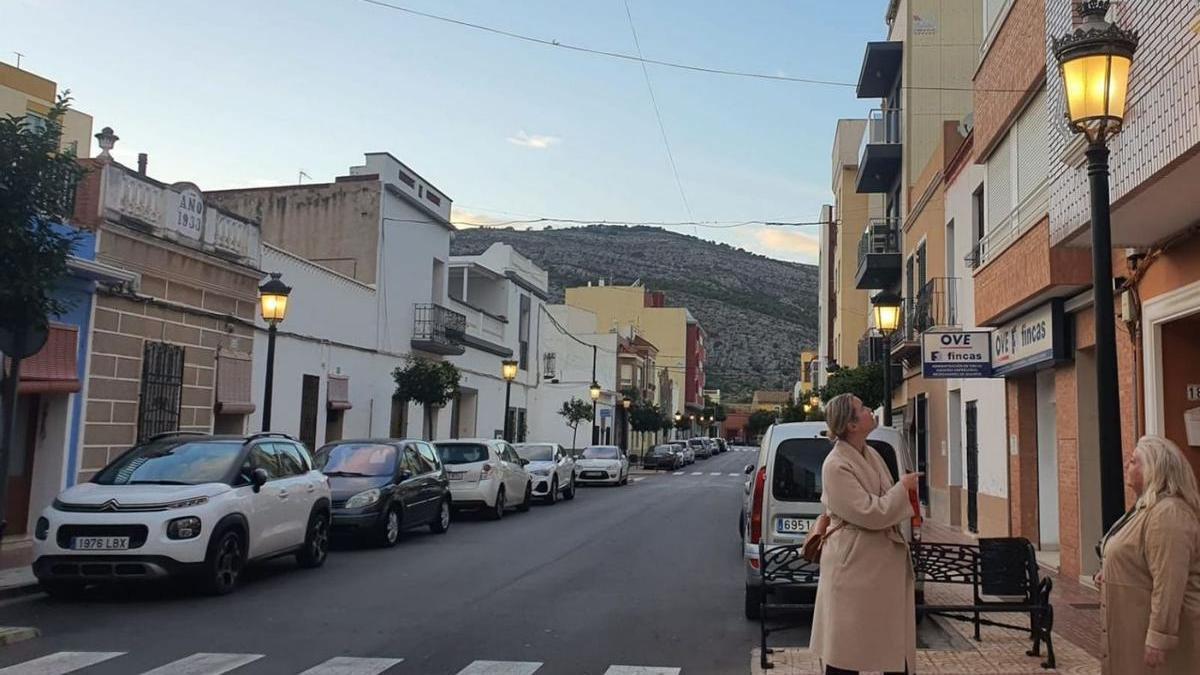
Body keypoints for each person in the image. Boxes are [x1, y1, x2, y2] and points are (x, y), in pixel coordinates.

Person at [810, 393, 921, 675]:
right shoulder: (836, 465)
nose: (871, 410)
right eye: (863, 408)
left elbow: (882, 502)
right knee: (846, 651)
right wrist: (903, 487)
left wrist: (897, 492)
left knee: (889, 647)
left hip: (875, 568)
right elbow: (871, 512)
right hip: (854, 570)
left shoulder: (869, 453)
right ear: (851, 424)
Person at [1098, 434, 1200, 674]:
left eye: (1133, 461)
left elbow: (1169, 581)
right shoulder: (1145, 509)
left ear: (1154, 469)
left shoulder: (1169, 513)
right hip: (1131, 629)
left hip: (1151, 642)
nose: (1126, 465)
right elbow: (1137, 558)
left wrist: (1159, 637)